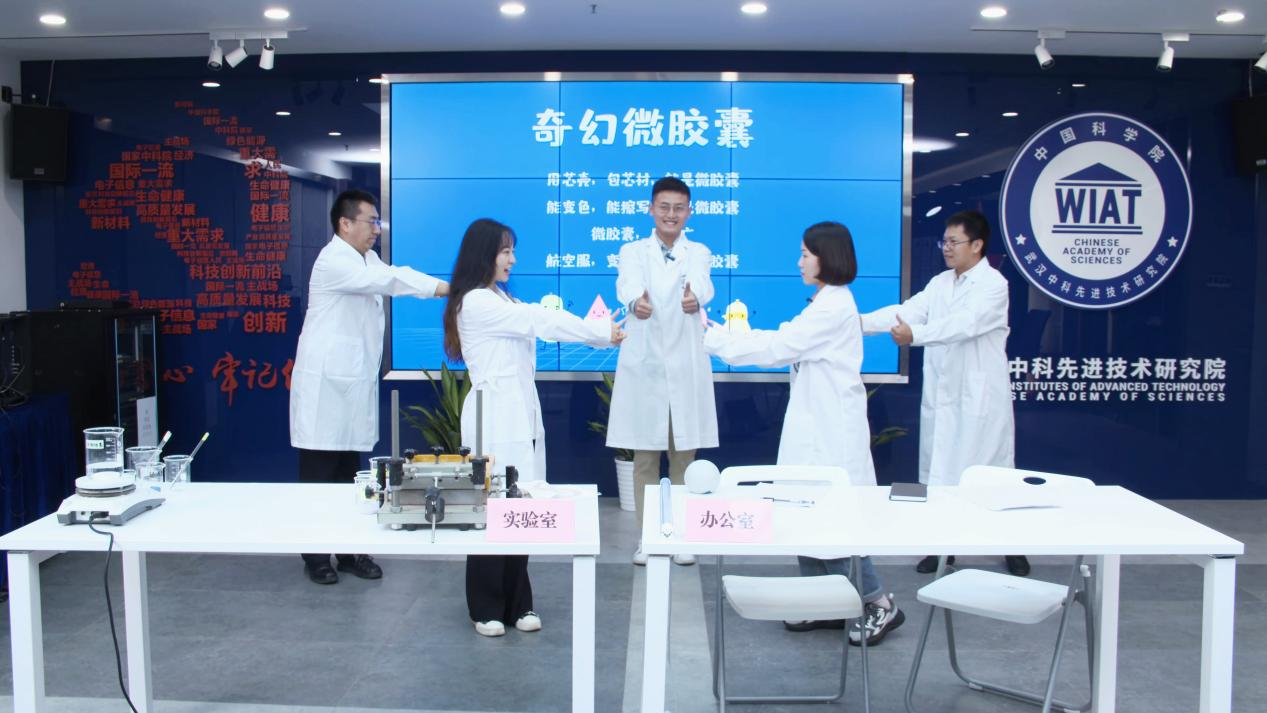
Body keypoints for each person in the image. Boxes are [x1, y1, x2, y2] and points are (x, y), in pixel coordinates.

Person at [704, 221, 905, 647]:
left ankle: (878, 602)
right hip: (814, 426)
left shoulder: (833, 308)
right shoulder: (823, 303)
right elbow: (784, 339)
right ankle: (823, 601)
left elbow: (778, 348)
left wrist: (715, 339)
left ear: (825, 258)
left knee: (835, 520)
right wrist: (721, 336)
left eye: (805, 255)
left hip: (830, 432)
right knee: (804, 511)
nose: (799, 263)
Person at [444, 218, 624, 637]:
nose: (513, 259)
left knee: (522, 504)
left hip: (520, 412)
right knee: (493, 508)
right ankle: (485, 606)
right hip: (493, 416)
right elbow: (539, 320)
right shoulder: (477, 302)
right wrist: (600, 332)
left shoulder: (500, 296)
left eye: (512, 251)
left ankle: (518, 602)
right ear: (485, 254)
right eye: (506, 251)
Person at [290, 189, 448, 585]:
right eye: (371, 221)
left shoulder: (366, 259)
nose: (377, 229)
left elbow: (389, 272)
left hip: (350, 385)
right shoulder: (334, 261)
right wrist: (444, 288)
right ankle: (315, 555)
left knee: (348, 472)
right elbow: (392, 280)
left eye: (378, 222)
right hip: (326, 388)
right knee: (319, 476)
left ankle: (348, 551)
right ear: (345, 224)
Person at [859, 210, 1025, 576]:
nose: (947, 248)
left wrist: (916, 335)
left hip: (979, 396)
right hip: (945, 394)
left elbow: (964, 325)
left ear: (977, 245)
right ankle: (940, 547)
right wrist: (856, 323)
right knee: (940, 474)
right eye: (944, 242)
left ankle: (1010, 545)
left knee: (990, 475)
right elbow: (906, 312)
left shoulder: (993, 285)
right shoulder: (940, 283)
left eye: (954, 242)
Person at [607, 176, 718, 566]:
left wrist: (696, 297)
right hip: (646, 365)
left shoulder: (698, 251)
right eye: (664, 207)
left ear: (689, 212)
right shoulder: (633, 250)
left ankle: (683, 537)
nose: (671, 214)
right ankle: (647, 538)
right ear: (651, 209)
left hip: (685, 364)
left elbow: (702, 284)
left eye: (679, 208)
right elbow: (628, 284)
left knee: (685, 456)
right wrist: (635, 302)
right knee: (645, 459)